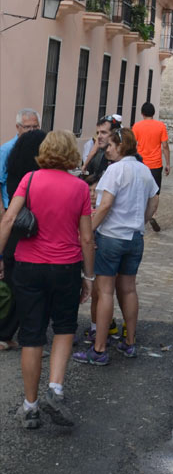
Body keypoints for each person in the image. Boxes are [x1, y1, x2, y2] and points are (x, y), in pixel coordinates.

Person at [0, 130, 94, 429]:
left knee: (32, 334)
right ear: (71, 154)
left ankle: (30, 407)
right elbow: (87, 238)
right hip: (66, 267)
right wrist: (89, 276)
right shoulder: (80, 188)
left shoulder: (29, 180)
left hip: (28, 266)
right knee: (64, 327)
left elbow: (9, 219)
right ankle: (55, 389)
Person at [73, 128, 158, 365]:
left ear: (121, 146)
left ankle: (99, 348)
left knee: (105, 292)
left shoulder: (115, 170)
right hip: (135, 237)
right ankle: (129, 342)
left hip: (111, 236)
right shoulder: (144, 170)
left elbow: (105, 205)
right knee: (129, 289)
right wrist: (142, 221)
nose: (106, 150)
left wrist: (89, 230)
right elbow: (154, 199)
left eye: (109, 145)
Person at [0, 129, 47, 350]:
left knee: (10, 287)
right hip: (29, 236)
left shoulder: (14, 173)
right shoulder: (36, 178)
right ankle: (9, 334)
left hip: (13, 234)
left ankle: (6, 333)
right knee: (23, 291)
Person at [132, 103, 169, 233]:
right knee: (155, 192)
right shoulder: (161, 126)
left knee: (140, 190)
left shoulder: (137, 126)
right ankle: (153, 215)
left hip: (141, 164)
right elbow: (165, 146)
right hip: (155, 164)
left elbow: (132, 145)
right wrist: (168, 163)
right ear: (153, 113)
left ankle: (139, 215)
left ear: (142, 113)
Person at [0, 108, 40, 209]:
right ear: (18, 127)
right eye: (27, 127)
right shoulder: (7, 149)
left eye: (35, 126)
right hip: (10, 205)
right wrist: (2, 211)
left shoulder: (41, 147)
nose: (31, 130)